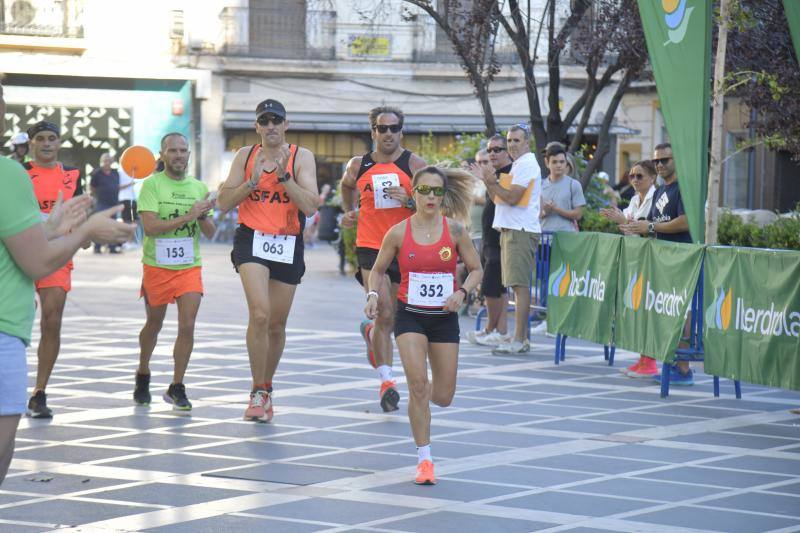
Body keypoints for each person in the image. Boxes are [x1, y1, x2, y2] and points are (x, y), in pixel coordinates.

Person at [0, 83, 135, 484]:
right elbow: (37, 261)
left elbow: (18, 234)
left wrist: (52, 227)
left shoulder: (56, 175)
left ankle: (41, 388)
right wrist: (87, 232)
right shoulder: (10, 174)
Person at [365, 166, 481, 485]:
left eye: (437, 191)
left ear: (444, 195)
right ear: (413, 193)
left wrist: (462, 292)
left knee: (442, 396)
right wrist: (373, 294)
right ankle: (425, 460)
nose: (431, 197)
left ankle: (422, 399)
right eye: (425, 190)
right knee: (417, 385)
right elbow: (377, 270)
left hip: (444, 318)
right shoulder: (398, 232)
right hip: (410, 316)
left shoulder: (455, 231)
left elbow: (476, 269)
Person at [218, 99, 320, 422]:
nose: (271, 125)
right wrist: (250, 182)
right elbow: (223, 202)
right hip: (252, 238)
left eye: (277, 120)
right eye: (265, 120)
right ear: (257, 126)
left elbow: (310, 206)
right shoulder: (245, 155)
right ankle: (257, 391)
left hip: (287, 242)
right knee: (260, 314)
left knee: (276, 324)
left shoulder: (301, 157)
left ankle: (266, 387)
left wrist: (285, 177)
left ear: (286, 125)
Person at [341, 106, 427, 412]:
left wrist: (411, 201)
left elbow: (435, 204)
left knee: (392, 318)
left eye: (393, 128)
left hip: (404, 247)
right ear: (373, 132)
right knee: (384, 312)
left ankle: (371, 332)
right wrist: (349, 211)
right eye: (382, 128)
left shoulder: (415, 164)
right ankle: (387, 382)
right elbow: (346, 186)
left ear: (401, 132)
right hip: (370, 246)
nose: (388, 133)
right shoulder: (358, 164)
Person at [133, 133, 215, 411]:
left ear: (189, 154)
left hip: (189, 267)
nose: (179, 155)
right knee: (154, 324)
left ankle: (177, 386)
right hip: (156, 266)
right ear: (163, 155)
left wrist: (202, 215)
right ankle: (143, 372)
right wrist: (188, 216)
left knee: (187, 325)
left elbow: (210, 232)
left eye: (183, 150)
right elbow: (151, 227)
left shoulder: (199, 187)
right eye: (173, 151)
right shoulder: (152, 185)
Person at [23, 120, 84, 418]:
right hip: (19, 254)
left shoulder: (72, 175)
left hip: (57, 256)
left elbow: (80, 211)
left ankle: (39, 392)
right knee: (11, 321)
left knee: (52, 320)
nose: (47, 143)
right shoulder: (19, 173)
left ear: (59, 143)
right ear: (31, 143)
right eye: (41, 139)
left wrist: (83, 232)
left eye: (52, 138)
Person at [621, 143, 694, 386]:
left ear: (677, 160)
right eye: (656, 161)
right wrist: (634, 225)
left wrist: (650, 226)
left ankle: (683, 369)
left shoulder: (684, 188)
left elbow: (685, 221)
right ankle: (671, 363)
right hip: (661, 261)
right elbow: (651, 225)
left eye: (665, 160)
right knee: (668, 313)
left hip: (681, 259)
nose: (660, 165)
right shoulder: (661, 190)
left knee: (683, 312)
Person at [470, 125, 542, 354]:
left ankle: (519, 339)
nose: (512, 144)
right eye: (509, 140)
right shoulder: (519, 164)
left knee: (520, 287)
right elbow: (498, 199)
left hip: (520, 230)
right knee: (515, 287)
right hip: (511, 230)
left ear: (527, 142)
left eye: (516, 140)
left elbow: (511, 198)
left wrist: (490, 180)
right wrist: (488, 180)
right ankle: (517, 336)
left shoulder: (527, 164)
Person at [601, 160, 658, 377]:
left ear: (652, 178)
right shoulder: (634, 199)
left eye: (639, 176)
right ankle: (643, 359)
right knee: (639, 310)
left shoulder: (657, 198)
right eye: (632, 175)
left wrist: (622, 220)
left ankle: (650, 362)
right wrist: (620, 220)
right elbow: (628, 227)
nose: (634, 180)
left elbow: (645, 228)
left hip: (651, 260)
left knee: (649, 310)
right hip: (636, 259)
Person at [468, 135, 512, 346]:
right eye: (489, 150)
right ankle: (500, 331)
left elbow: (500, 200)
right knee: (498, 288)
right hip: (487, 237)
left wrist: (486, 179)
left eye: (497, 150)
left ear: (507, 151)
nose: (492, 154)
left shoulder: (508, 173)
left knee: (490, 287)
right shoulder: (495, 174)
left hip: (500, 239)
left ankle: (490, 328)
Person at [540, 142, 585, 233]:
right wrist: (545, 212)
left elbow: (578, 214)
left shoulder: (574, 184)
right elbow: (532, 216)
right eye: (554, 162)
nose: (559, 165)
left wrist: (556, 209)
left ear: (566, 163)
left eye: (562, 162)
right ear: (547, 163)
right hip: (544, 236)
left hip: (567, 237)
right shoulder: (539, 185)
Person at [90, 153, 122, 253]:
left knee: (112, 226)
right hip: (101, 204)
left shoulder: (115, 173)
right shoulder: (97, 174)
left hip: (113, 203)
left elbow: (117, 186)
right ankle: (97, 247)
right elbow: (92, 187)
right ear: (101, 162)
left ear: (111, 162)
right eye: (105, 160)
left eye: (108, 160)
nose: (107, 162)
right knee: (100, 226)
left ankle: (112, 248)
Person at [117, 165, 139, 250]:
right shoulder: (119, 172)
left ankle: (130, 242)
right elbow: (118, 187)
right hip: (124, 199)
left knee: (134, 221)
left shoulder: (132, 172)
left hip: (132, 199)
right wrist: (130, 184)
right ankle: (126, 242)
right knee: (126, 222)